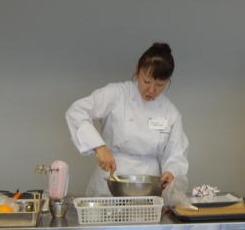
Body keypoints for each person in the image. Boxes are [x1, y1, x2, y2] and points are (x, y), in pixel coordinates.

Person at [65, 43, 189, 197]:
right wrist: (99, 147)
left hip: (148, 185)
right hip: (111, 178)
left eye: (159, 85)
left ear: (168, 81)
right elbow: (76, 111)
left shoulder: (170, 112)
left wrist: (171, 171)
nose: (151, 90)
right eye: (146, 81)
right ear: (137, 72)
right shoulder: (117, 94)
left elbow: (176, 154)